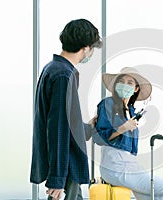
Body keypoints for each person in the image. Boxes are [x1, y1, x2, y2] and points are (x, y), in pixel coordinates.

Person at [30, 19, 102, 200]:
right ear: (85, 48)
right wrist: (57, 178)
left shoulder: (53, 68)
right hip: (66, 165)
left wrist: (89, 127)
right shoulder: (63, 75)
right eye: (92, 48)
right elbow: (58, 128)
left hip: (65, 164)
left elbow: (65, 123)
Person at [95, 67, 163, 200]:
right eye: (121, 81)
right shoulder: (107, 104)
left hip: (129, 164)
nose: (124, 85)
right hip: (114, 165)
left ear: (136, 89)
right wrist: (123, 128)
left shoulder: (132, 112)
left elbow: (131, 150)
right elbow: (99, 138)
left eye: (130, 83)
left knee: (151, 197)